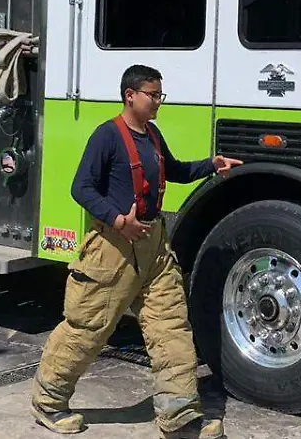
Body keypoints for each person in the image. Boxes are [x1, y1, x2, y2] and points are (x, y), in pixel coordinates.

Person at [31, 64, 242, 438]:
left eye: (161, 94)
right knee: (87, 328)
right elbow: (81, 189)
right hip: (112, 250)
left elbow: (173, 170)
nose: (159, 101)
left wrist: (212, 165)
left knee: (171, 328)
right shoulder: (106, 137)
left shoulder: (153, 136)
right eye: (153, 94)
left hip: (155, 249)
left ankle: (180, 418)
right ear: (131, 95)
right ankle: (48, 402)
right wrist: (116, 220)